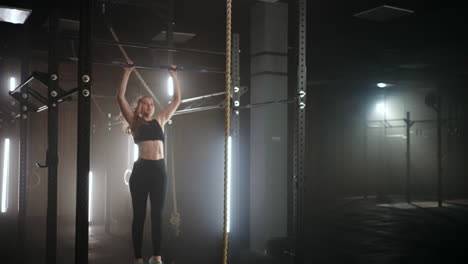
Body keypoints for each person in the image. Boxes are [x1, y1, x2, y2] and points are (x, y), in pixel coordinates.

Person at [117, 62, 181, 264]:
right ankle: (138, 258)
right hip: (142, 171)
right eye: (145, 103)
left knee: (157, 216)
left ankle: (157, 256)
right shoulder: (135, 122)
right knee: (139, 216)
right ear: (139, 107)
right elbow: (120, 98)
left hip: (159, 171)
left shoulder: (160, 120)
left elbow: (177, 99)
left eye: (152, 103)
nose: (150, 105)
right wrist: (127, 73)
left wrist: (174, 75)